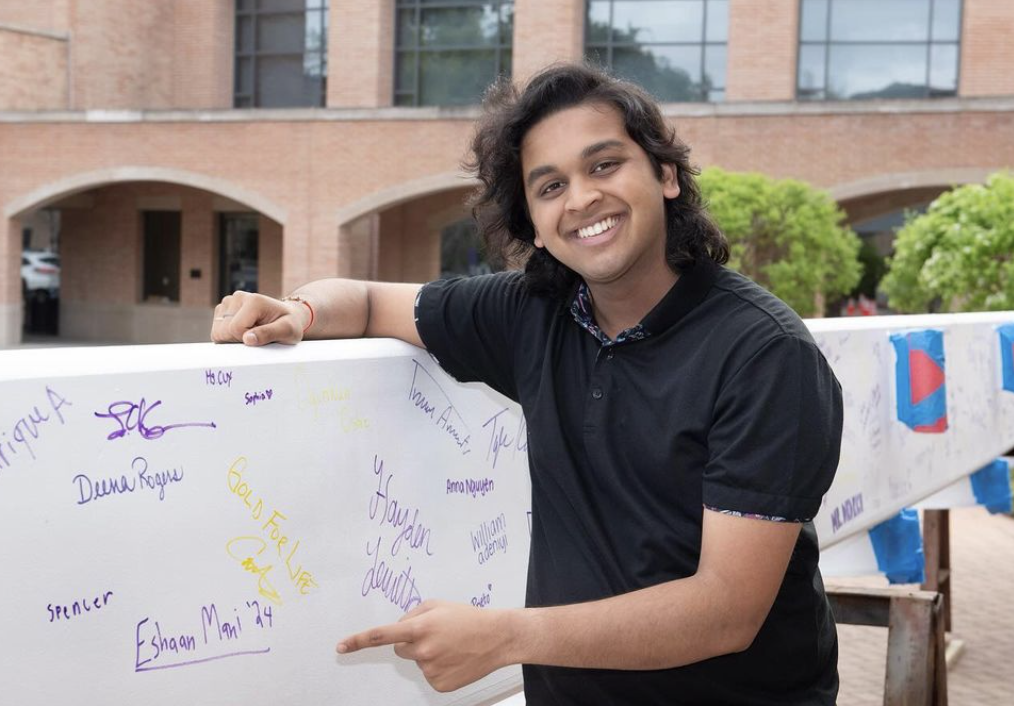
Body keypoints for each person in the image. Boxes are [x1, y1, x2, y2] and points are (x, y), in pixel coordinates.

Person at [211, 63, 843, 705]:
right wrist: (296, 312)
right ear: (535, 225)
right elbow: (370, 301)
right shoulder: (535, 312)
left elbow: (726, 611)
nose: (581, 199)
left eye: (604, 165)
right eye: (550, 186)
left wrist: (504, 637)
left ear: (666, 175)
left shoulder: (766, 356)